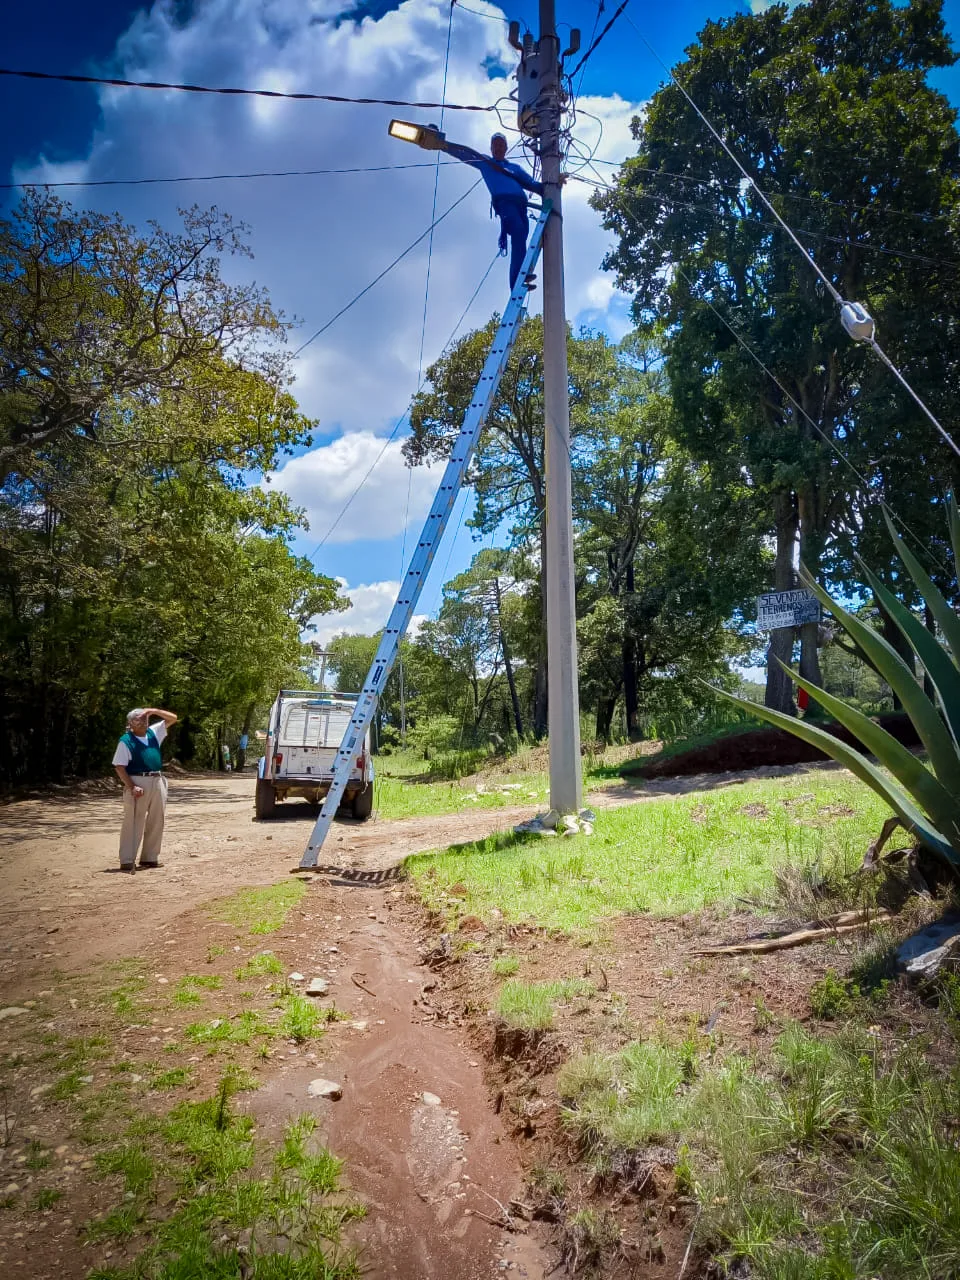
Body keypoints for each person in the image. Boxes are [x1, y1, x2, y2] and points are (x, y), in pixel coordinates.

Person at [444, 133, 544, 290]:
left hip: (521, 207)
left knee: (521, 239)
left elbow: (532, 183)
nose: (498, 148)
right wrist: (443, 145)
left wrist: (551, 185)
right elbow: (463, 154)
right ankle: (518, 280)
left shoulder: (514, 168)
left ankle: (520, 276)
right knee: (517, 231)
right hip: (506, 204)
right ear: (491, 148)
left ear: (506, 148)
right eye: (495, 145)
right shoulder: (485, 162)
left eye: (501, 145)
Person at [112, 707, 178, 873]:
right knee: (134, 820)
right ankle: (127, 859)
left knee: (157, 819)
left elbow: (173, 718)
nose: (143, 721)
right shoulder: (126, 740)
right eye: (138, 719)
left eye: (144, 718)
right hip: (137, 780)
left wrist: (153, 711)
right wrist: (132, 786)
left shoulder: (153, 732)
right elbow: (119, 767)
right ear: (130, 723)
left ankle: (150, 857)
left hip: (157, 779)